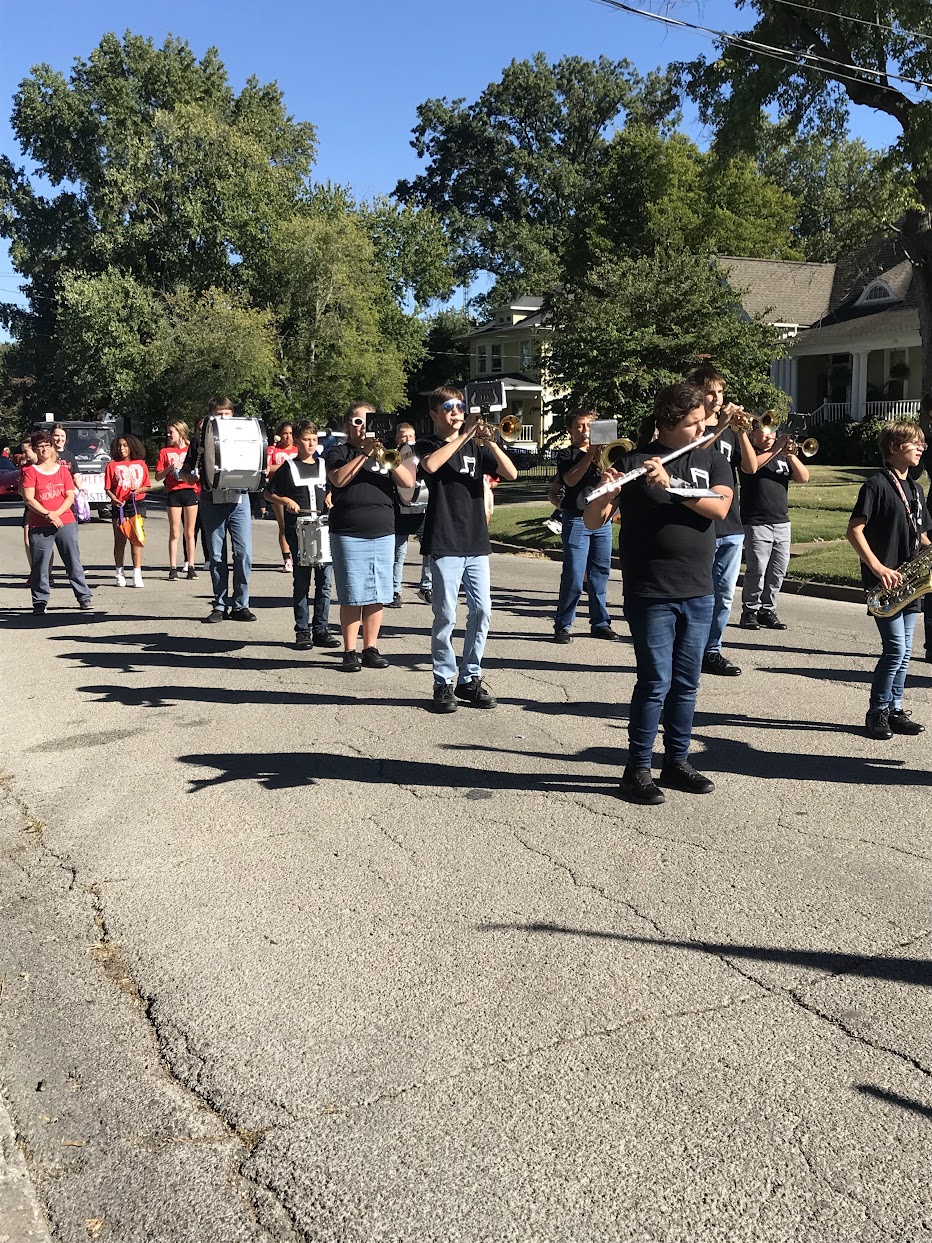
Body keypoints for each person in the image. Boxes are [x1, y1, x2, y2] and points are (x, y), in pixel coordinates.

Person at [584, 382, 733, 805]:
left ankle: (677, 762)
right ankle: (636, 770)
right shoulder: (633, 462)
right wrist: (610, 491)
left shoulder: (712, 460)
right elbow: (594, 520)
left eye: (704, 420)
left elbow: (720, 507)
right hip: (651, 590)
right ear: (668, 424)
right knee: (655, 681)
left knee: (687, 682)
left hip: (699, 589)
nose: (703, 427)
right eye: (694, 422)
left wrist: (672, 487)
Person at [416, 386, 518, 713]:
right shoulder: (427, 444)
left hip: (476, 540)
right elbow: (430, 466)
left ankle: (469, 678)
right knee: (445, 614)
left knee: (483, 611)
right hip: (444, 539)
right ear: (435, 414)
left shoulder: (477, 444)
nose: (456, 412)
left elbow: (511, 473)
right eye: (448, 407)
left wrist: (487, 439)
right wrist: (465, 437)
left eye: (460, 406)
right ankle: (443, 681)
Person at [847, 421, 929, 739]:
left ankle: (895, 709)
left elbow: (921, 537)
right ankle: (877, 710)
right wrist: (879, 568)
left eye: (922, 442)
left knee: (906, 651)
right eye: (914, 443)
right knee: (895, 649)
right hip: (886, 583)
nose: (921, 447)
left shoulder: (917, 490)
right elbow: (854, 531)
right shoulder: (876, 486)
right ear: (895, 448)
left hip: (910, 582)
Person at [325, 402, 416, 671]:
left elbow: (407, 482)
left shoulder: (386, 453)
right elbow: (339, 480)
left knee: (377, 592)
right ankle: (350, 650)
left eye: (367, 421)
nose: (362, 426)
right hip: (348, 531)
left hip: (383, 529)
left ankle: (371, 647)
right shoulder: (338, 452)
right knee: (353, 593)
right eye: (356, 421)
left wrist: (382, 456)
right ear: (348, 425)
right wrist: (363, 454)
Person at [685, 366, 757, 677]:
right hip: (701, 520)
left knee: (725, 593)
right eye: (711, 392)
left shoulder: (730, 430)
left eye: (720, 392)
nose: (717, 398)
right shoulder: (692, 426)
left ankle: (711, 650)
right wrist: (720, 424)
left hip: (732, 523)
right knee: (698, 591)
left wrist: (740, 430)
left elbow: (751, 468)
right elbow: (692, 455)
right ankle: (688, 649)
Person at [181, 397, 256, 623]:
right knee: (216, 556)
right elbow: (186, 469)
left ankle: (241, 604)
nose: (223, 418)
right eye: (218, 414)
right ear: (211, 416)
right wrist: (189, 476)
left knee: (243, 554)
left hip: (239, 498)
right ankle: (220, 605)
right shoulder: (200, 439)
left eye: (227, 414)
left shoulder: (243, 436)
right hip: (210, 498)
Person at [265, 421, 340, 651]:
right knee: (301, 583)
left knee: (325, 584)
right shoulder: (288, 467)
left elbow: (333, 486)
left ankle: (321, 629)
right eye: (307, 439)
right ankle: (302, 631)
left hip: (323, 528)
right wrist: (285, 500)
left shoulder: (324, 465)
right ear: (297, 441)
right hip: (299, 531)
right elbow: (269, 494)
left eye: (314, 439)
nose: (311, 443)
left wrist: (330, 495)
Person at [552, 409, 621, 644]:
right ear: (571, 431)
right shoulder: (566, 455)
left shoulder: (607, 455)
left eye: (589, 426)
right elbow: (570, 480)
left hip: (602, 520)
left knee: (600, 573)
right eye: (579, 426)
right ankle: (563, 624)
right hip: (576, 518)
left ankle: (600, 623)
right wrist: (590, 454)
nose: (584, 430)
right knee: (573, 574)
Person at [738, 414, 809, 631]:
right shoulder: (751, 455)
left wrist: (790, 455)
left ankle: (767, 610)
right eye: (764, 431)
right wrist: (776, 448)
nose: (770, 435)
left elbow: (803, 477)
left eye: (772, 432)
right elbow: (751, 468)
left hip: (781, 522)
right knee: (757, 569)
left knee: (778, 569)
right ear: (752, 435)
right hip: (757, 521)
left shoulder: (780, 456)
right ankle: (749, 610)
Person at [20, 430, 94, 615]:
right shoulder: (30, 472)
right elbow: (29, 498)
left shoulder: (62, 470)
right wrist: (48, 514)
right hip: (39, 524)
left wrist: (57, 514)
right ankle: (39, 601)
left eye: (47, 446)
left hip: (66, 521)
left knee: (73, 561)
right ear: (35, 450)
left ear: (52, 447)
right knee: (40, 565)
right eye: (40, 447)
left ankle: (84, 596)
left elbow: (70, 496)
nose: (44, 450)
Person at [390, 421, 432, 607]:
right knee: (398, 554)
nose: (406, 440)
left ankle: (426, 587)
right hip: (400, 510)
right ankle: (394, 591)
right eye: (402, 437)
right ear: (397, 439)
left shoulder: (423, 455)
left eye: (410, 437)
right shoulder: (392, 457)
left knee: (429, 551)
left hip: (422, 509)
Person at [105, 434, 150, 588]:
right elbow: (108, 488)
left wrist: (138, 490)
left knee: (136, 538)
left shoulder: (141, 464)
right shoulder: (111, 466)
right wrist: (114, 498)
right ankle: (119, 572)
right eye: (119, 446)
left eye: (125, 445)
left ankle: (137, 573)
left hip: (137, 504)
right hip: (119, 507)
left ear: (131, 446)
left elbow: (147, 485)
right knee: (120, 540)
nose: (122, 449)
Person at [155, 421, 199, 581]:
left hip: (190, 491)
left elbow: (197, 471)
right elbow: (158, 476)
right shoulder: (165, 452)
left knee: (190, 532)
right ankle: (172, 567)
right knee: (174, 532)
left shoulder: (190, 450)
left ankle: (191, 566)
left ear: (181, 432)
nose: (168, 435)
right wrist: (169, 468)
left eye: (171, 432)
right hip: (174, 493)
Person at [267, 422, 299, 572]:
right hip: (278, 491)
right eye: (285, 433)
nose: (288, 437)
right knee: (284, 525)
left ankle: (298, 554)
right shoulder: (272, 450)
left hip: (296, 490)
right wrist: (287, 466)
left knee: (298, 525)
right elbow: (267, 469)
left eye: (291, 433)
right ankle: (287, 558)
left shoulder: (297, 450)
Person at [18, 437, 38, 581]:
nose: (24, 455)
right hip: (29, 507)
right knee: (28, 541)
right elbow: (20, 490)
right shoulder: (25, 468)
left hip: (45, 506)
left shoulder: (44, 466)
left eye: (26, 451)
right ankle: (34, 572)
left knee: (43, 544)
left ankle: (46, 573)